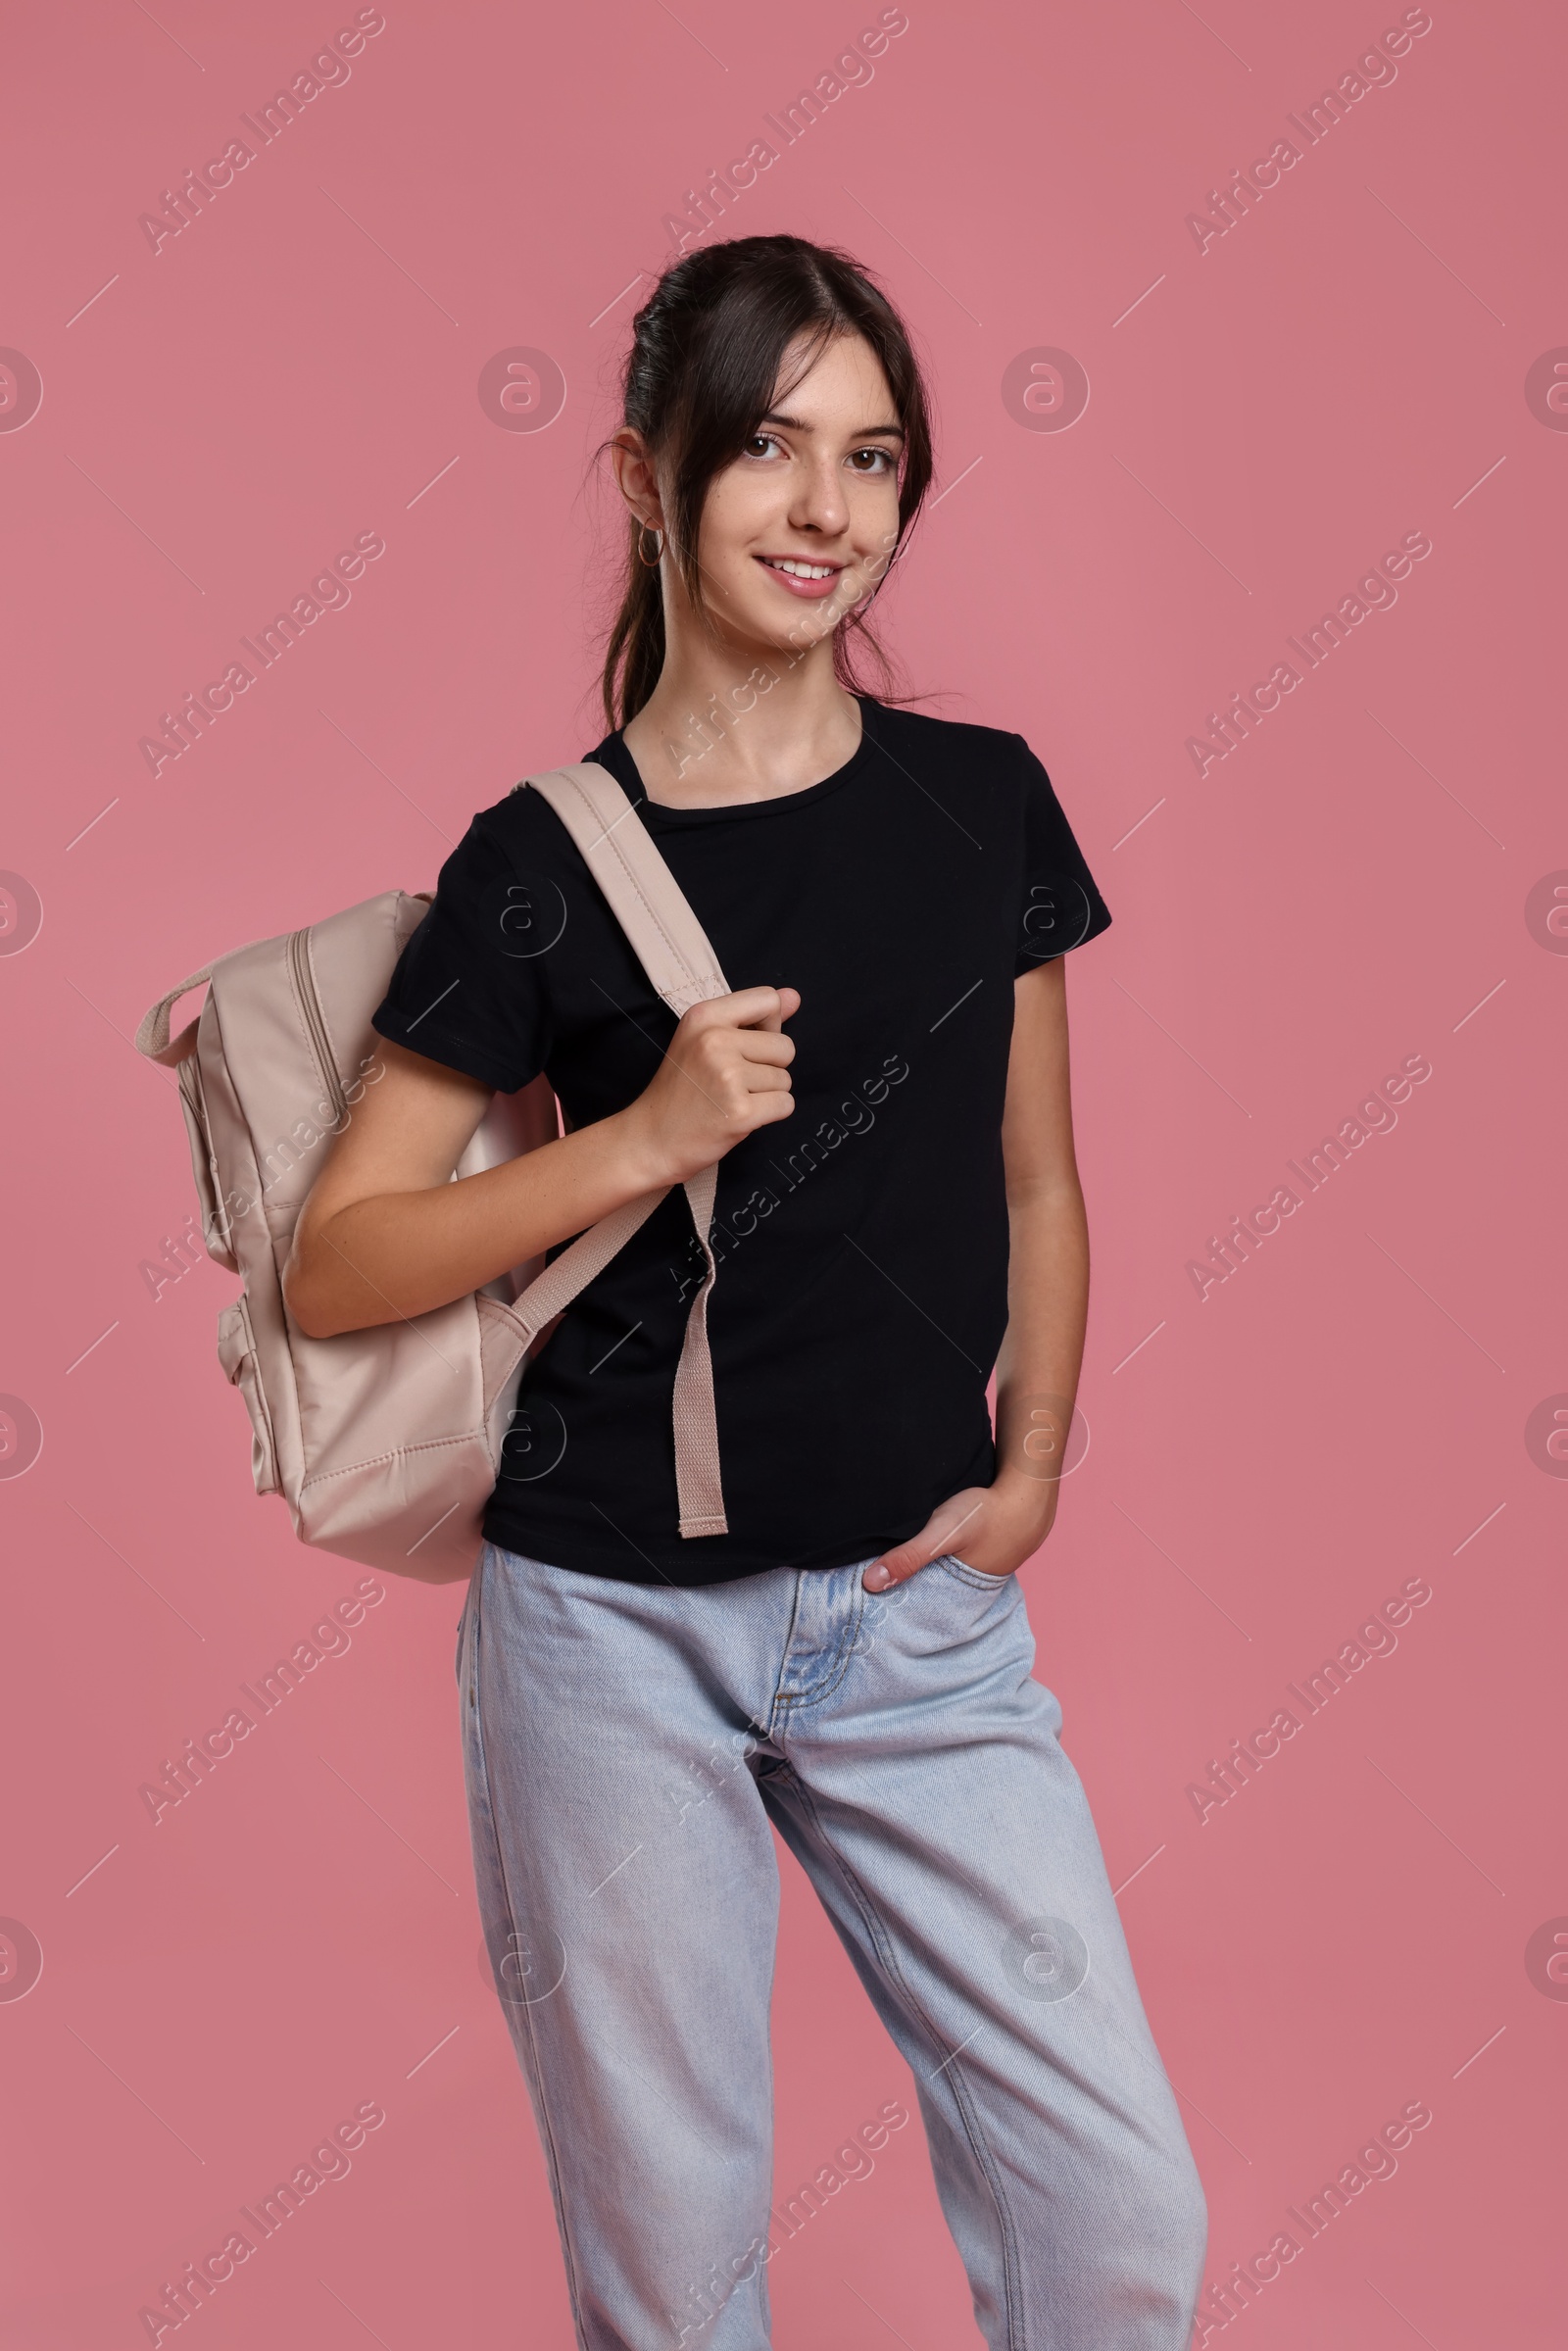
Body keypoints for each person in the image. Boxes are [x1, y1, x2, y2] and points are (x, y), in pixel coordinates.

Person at [284, 234, 1206, 2351]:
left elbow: (1037, 1177)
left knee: (1111, 2207)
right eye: (769, 448)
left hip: (912, 1619)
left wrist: (1030, 1467)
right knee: (676, 2276)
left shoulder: (979, 806)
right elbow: (343, 1260)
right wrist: (635, 1141)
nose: (825, 509)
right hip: (605, 1628)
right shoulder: (535, 859)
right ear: (643, 475)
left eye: (871, 457)